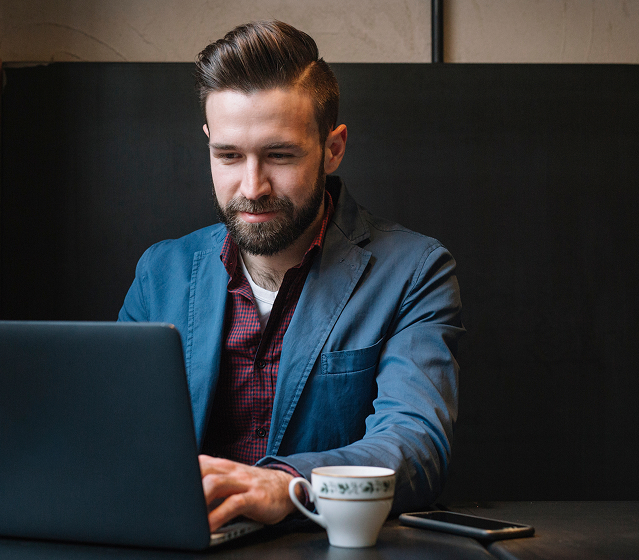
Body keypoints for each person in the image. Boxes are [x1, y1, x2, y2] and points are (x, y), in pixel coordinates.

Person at [118, 20, 463, 531]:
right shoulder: (159, 273)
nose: (253, 186)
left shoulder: (415, 271)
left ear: (333, 147)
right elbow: (114, 439)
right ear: (208, 142)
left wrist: (286, 484)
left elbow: (414, 447)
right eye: (229, 156)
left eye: (279, 155)